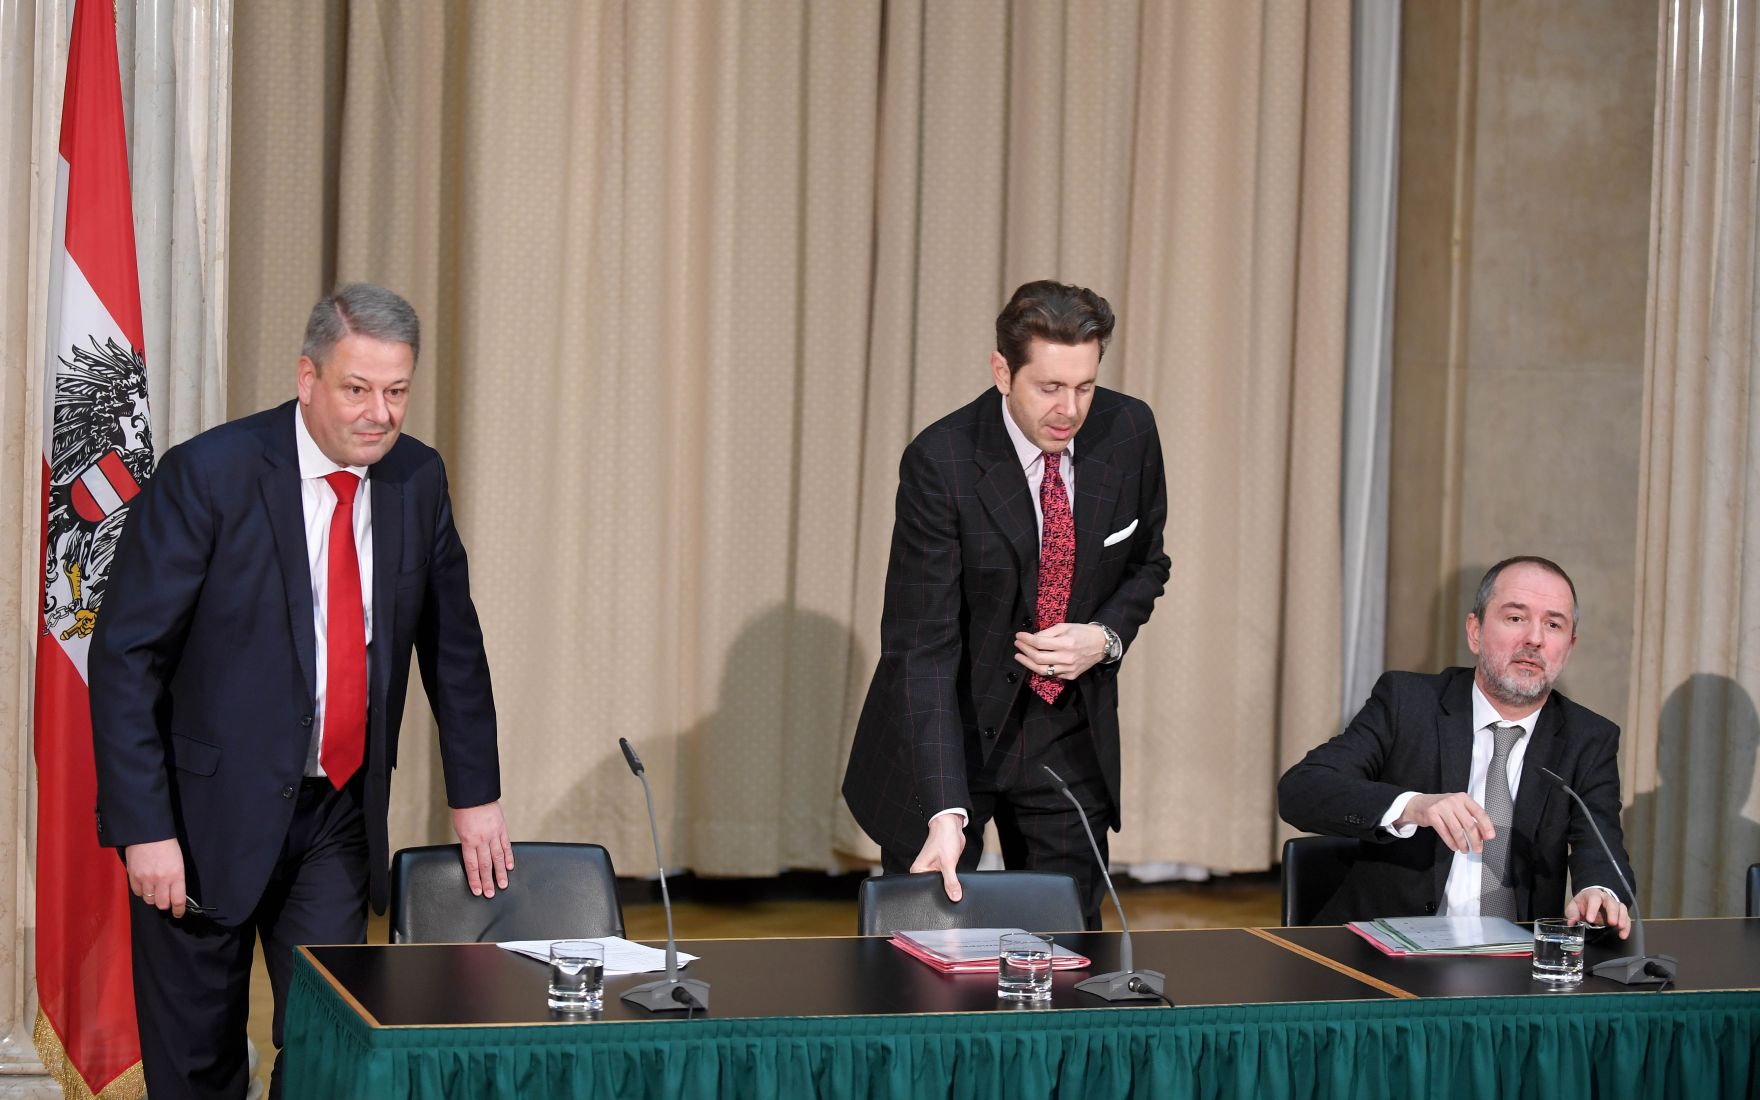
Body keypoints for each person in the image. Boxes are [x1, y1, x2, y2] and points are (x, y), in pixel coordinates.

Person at [90, 283, 512, 1098]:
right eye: (359, 389)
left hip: (336, 814)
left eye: (397, 392)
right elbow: (126, 658)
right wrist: (144, 829)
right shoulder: (208, 476)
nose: (380, 413)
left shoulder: (415, 479)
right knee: (198, 1065)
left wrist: (476, 794)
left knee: (328, 1049)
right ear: (307, 378)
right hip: (200, 822)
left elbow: (453, 645)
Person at [842, 280, 1170, 928]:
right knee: (928, 958)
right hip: (950, 730)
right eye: (1049, 387)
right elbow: (922, 646)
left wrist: (1103, 638)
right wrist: (943, 810)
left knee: (1072, 951)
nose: (1069, 409)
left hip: (1064, 734)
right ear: (1002, 371)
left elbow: (1147, 563)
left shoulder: (1129, 432)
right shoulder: (943, 463)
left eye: (1084, 386)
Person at [1278, 555, 1633, 934]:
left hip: (1515, 965)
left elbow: (1600, 844)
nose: (1535, 638)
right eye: (1516, 618)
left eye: (1554, 624)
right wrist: (1412, 806)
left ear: (1569, 646)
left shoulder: (1588, 739)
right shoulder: (1408, 703)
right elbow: (1302, 789)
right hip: (1388, 952)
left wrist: (1599, 892)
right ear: (1475, 631)